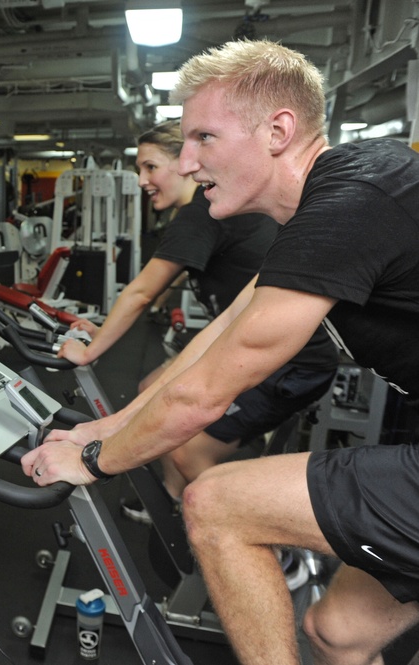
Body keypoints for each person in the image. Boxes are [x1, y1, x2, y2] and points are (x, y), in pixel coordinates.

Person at [21, 39, 419, 665]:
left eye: (203, 137)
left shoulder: (350, 203)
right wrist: (107, 427)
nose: (186, 161)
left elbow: (205, 394)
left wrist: (94, 462)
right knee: (340, 633)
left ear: (278, 131)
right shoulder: (330, 203)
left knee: (216, 504)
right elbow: (220, 337)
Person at [59, 121, 337, 527]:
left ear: (184, 164)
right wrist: (101, 333)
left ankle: (260, 540)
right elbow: (212, 310)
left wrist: (89, 351)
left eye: (151, 167)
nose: (142, 180)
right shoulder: (207, 212)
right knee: (150, 387)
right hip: (258, 344)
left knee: (186, 449)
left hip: (291, 364)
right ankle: (175, 503)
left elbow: (142, 292)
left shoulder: (200, 215)